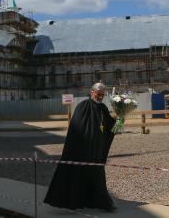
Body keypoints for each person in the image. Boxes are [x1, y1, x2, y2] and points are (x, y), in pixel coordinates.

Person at [44, 83, 116, 211]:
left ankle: (102, 203)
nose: (100, 97)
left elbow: (109, 126)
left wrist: (119, 121)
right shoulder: (82, 107)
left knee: (98, 176)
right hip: (83, 151)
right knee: (80, 177)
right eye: (99, 94)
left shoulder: (103, 108)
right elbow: (76, 129)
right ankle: (78, 201)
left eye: (103, 95)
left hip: (96, 151)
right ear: (92, 92)